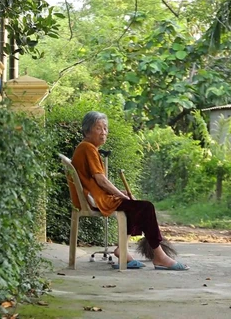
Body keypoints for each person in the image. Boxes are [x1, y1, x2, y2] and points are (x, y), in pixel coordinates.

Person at [70, 111, 189, 270]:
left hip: (94, 198)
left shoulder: (87, 148)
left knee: (135, 208)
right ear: (87, 131)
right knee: (146, 207)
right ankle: (159, 256)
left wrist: (119, 193)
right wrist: (120, 195)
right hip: (95, 201)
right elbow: (101, 180)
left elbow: (97, 182)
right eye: (99, 128)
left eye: (105, 128)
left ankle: (122, 251)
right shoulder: (87, 148)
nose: (104, 132)